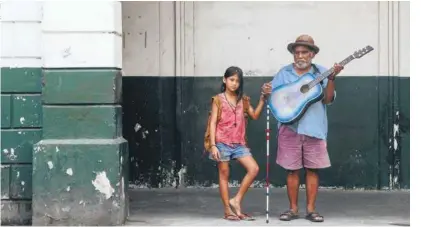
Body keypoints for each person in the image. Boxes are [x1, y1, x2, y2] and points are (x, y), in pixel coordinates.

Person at [261, 35, 344, 222]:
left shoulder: (322, 72)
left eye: (304, 52)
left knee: (313, 170)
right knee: (292, 170)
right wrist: (266, 91)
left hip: (314, 128)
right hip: (289, 127)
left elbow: (328, 99)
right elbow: (273, 97)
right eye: (296, 52)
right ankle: (292, 209)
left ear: (312, 54)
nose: (300, 56)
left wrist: (331, 79)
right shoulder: (284, 73)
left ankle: (311, 210)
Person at [208, 66, 267, 221]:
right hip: (222, 142)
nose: (234, 84)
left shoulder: (243, 100)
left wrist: (262, 100)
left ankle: (236, 200)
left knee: (253, 168)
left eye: (237, 81)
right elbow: (213, 123)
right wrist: (213, 145)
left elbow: (254, 115)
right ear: (224, 80)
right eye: (231, 80)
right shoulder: (218, 100)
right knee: (224, 174)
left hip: (239, 143)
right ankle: (228, 210)